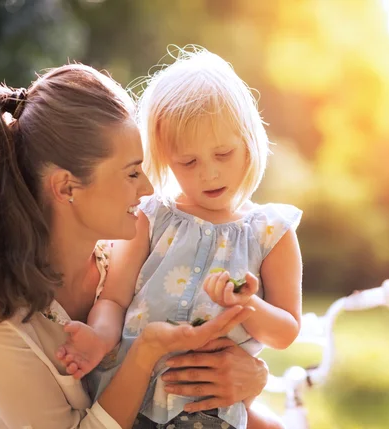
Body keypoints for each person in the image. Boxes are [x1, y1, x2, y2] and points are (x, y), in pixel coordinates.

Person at [0, 64, 270, 429]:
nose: (147, 188)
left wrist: (252, 377)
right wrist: (145, 353)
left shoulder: (128, 263)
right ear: (67, 188)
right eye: (131, 173)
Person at [56, 48, 303, 429]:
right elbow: (114, 298)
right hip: (130, 400)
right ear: (164, 158)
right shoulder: (151, 217)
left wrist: (246, 302)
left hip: (208, 414)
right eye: (188, 162)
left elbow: (286, 332)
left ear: (249, 140)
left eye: (223, 153)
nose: (209, 174)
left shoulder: (271, 233)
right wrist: (99, 339)